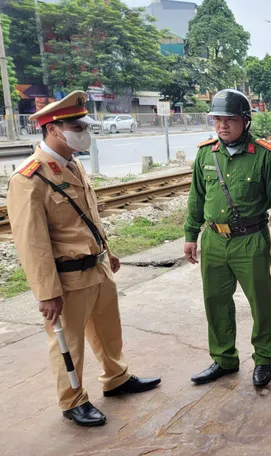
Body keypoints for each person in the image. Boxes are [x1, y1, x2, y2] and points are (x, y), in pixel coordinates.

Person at [7, 91, 161, 427]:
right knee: (69, 343)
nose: (84, 132)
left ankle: (116, 378)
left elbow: (87, 218)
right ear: (53, 129)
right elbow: (32, 244)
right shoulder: (30, 179)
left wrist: (107, 250)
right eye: (76, 127)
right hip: (67, 279)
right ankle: (72, 400)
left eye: (84, 126)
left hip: (98, 267)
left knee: (109, 331)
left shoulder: (73, 165)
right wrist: (46, 292)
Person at [184, 89, 271, 388]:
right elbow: (196, 198)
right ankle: (224, 359)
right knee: (215, 301)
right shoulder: (206, 153)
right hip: (213, 240)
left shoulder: (265, 155)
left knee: (261, 302)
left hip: (250, 239)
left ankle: (263, 358)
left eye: (230, 119)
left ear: (245, 121)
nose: (222, 125)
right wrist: (191, 235)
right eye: (217, 119)